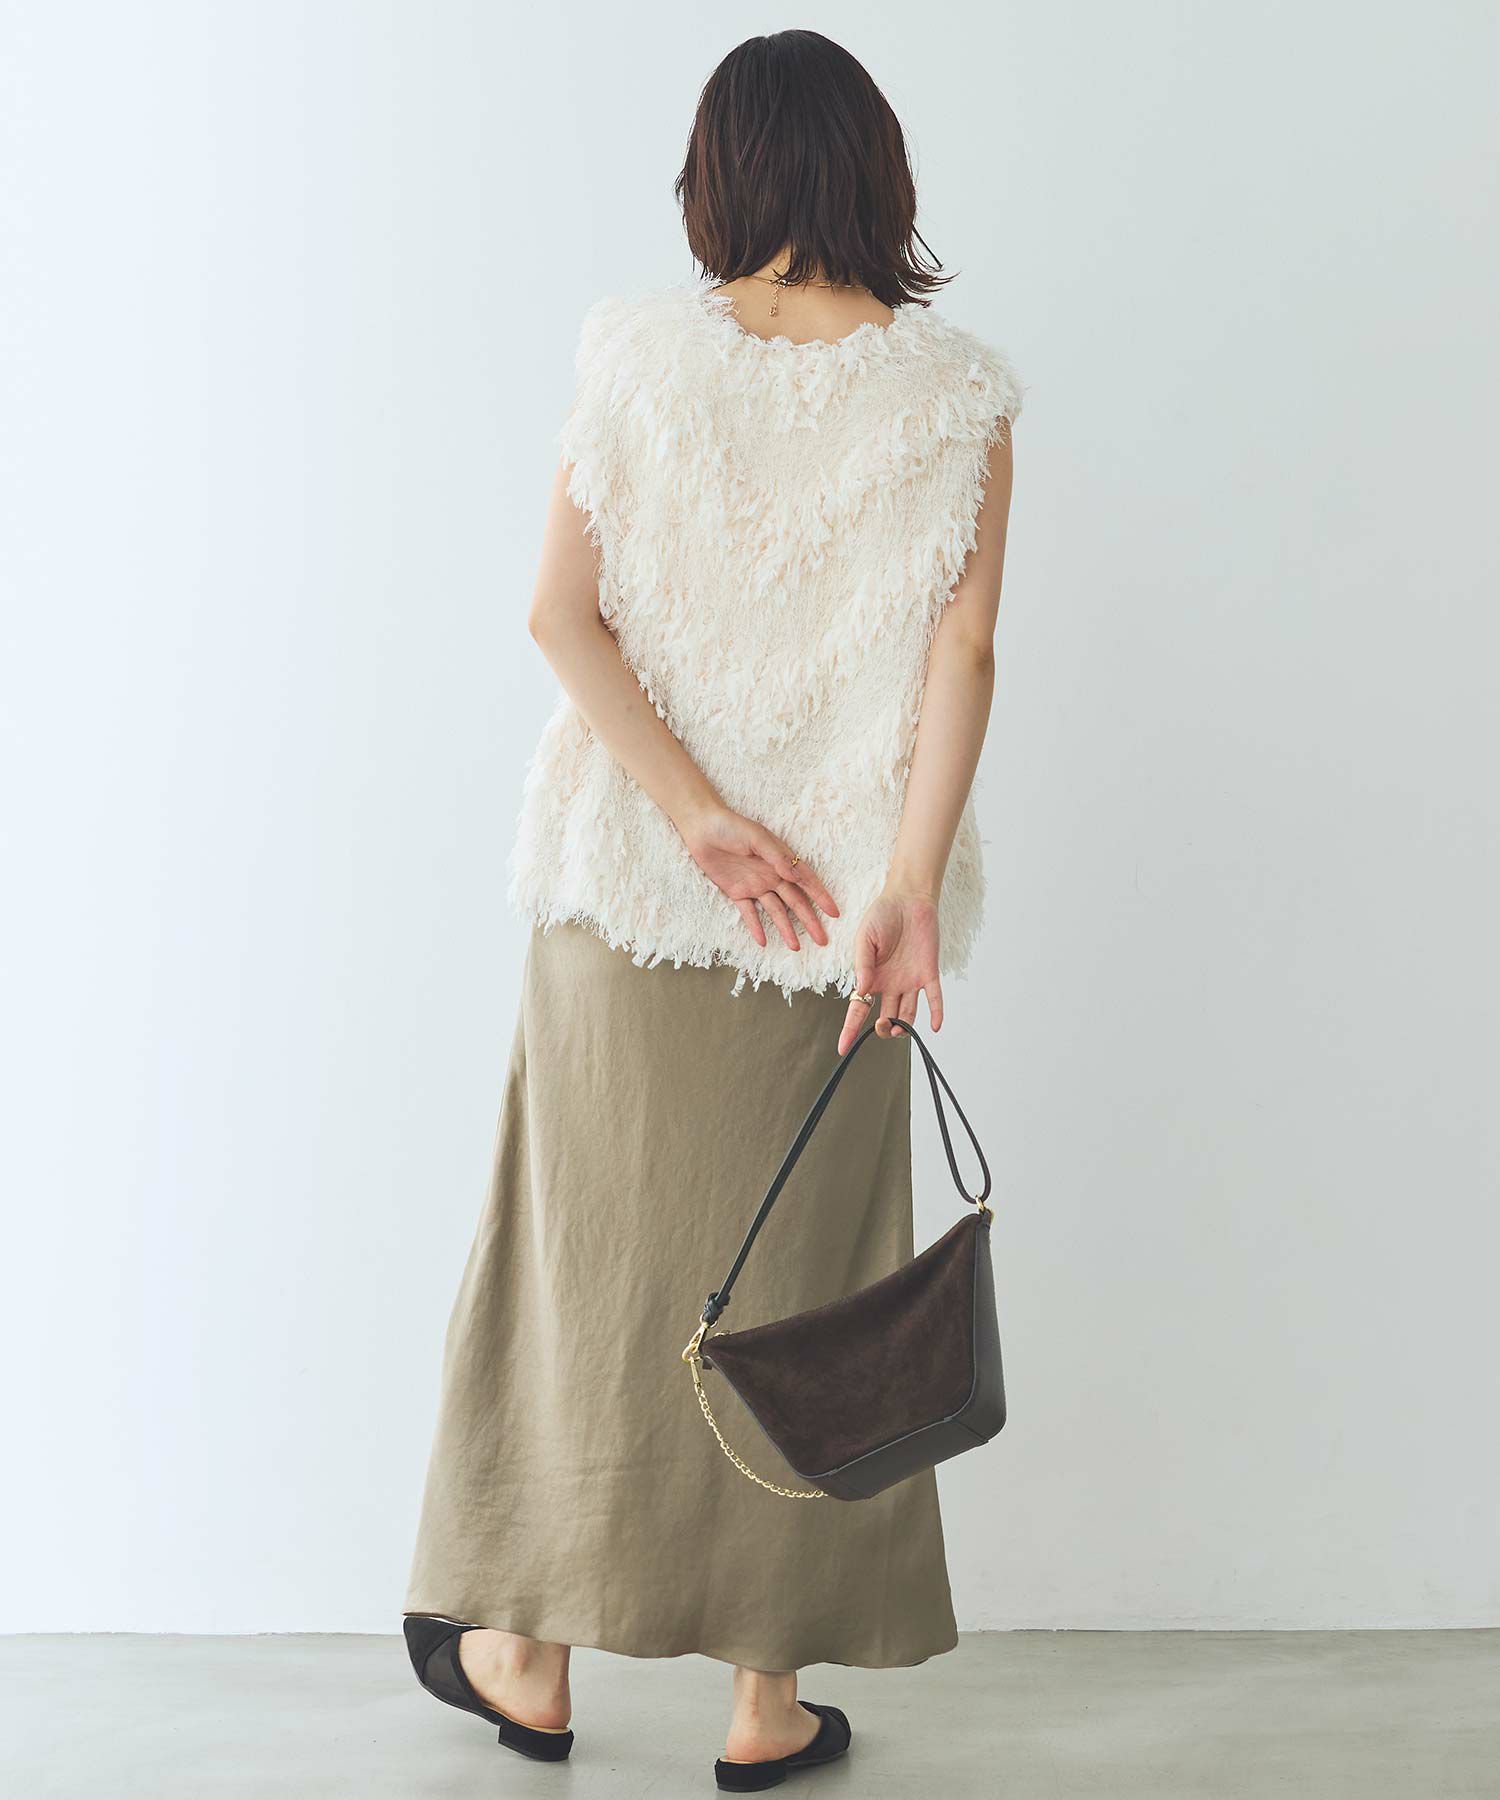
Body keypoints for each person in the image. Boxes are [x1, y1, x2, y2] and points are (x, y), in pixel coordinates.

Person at [403, 27, 1021, 1792]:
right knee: (807, 1294)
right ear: (878, 174)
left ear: (718, 176)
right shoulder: (962, 398)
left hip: (624, 894)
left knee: (583, 1275)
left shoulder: (637, 360)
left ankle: (530, 1658)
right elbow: (966, 653)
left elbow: (559, 615)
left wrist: (694, 820)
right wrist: (903, 891)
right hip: (837, 934)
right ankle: (765, 1705)